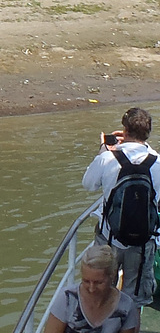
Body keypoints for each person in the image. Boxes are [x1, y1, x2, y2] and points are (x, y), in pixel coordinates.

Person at [82, 107, 160, 332]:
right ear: (148, 132)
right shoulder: (157, 162)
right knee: (135, 298)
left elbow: (88, 184)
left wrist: (103, 150)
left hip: (109, 239)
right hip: (143, 243)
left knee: (102, 289)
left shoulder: (108, 157)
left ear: (124, 130)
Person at [43, 244, 137, 333]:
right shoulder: (66, 299)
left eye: (98, 282)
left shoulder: (126, 307)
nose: (91, 289)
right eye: (86, 281)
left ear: (112, 276)